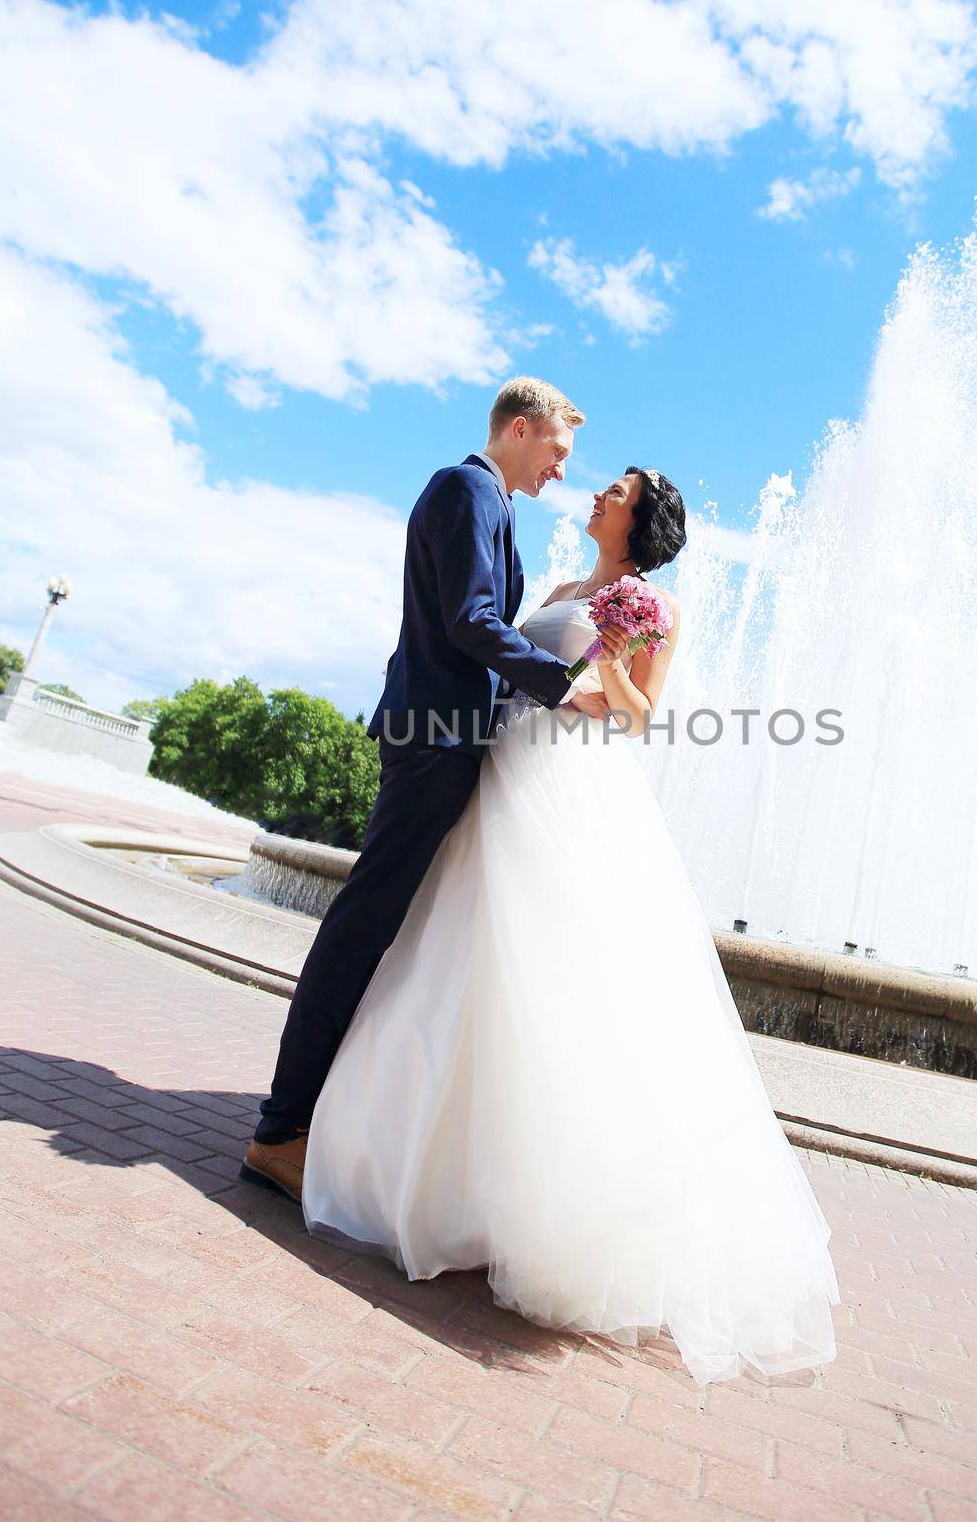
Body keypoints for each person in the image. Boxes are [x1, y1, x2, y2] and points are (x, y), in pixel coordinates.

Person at [299, 463, 842, 1388]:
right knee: (453, 962)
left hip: (567, 788)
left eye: (618, 490)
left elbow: (637, 716)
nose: (598, 495)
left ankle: (534, 1208)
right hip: (498, 772)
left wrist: (606, 664)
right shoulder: (557, 588)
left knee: (549, 983)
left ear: (641, 517)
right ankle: (422, 1170)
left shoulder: (650, 607)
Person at [242, 377, 608, 1196]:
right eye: (557, 449)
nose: (561, 468)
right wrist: (561, 685)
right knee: (360, 927)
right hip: (433, 740)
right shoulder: (468, 489)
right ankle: (281, 1129)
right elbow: (470, 621)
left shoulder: (486, 500)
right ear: (519, 429)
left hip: (444, 736)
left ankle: (315, 1112)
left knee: (380, 928)